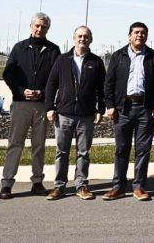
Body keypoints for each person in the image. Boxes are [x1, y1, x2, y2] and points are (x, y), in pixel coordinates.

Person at [0, 13, 61, 200]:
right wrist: (20, 90)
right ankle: (7, 183)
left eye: (43, 26)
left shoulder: (53, 50)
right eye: (37, 26)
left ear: (47, 29)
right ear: (30, 26)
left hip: (42, 105)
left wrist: (43, 92)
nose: (39, 29)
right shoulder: (19, 48)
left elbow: (56, 77)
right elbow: (9, 74)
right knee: (15, 144)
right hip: (20, 104)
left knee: (39, 145)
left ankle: (37, 182)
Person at [102, 22, 154, 202]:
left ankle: (139, 187)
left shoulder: (153, 57)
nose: (140, 35)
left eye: (143, 33)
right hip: (123, 108)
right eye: (136, 32)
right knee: (122, 149)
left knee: (143, 149)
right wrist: (110, 105)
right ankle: (118, 187)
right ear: (129, 35)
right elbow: (109, 83)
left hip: (145, 108)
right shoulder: (118, 56)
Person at [44, 26, 105, 201]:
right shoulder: (62, 60)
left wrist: (99, 110)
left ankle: (81, 185)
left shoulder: (96, 62)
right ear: (73, 38)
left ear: (90, 39)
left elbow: (101, 90)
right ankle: (59, 186)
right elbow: (51, 85)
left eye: (86, 36)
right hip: (64, 114)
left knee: (83, 152)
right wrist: (50, 107)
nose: (82, 39)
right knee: (61, 151)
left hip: (86, 115)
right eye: (79, 36)